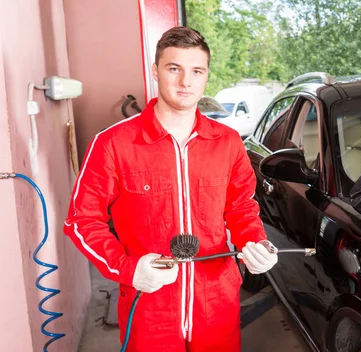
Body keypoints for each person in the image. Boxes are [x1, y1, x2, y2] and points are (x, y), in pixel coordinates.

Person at [64, 26, 278, 351]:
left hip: (217, 302)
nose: (185, 82)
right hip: (149, 303)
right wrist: (128, 269)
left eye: (196, 71)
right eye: (174, 68)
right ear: (155, 71)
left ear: (206, 76)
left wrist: (255, 244)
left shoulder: (228, 142)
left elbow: (241, 207)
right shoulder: (113, 144)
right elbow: (81, 221)